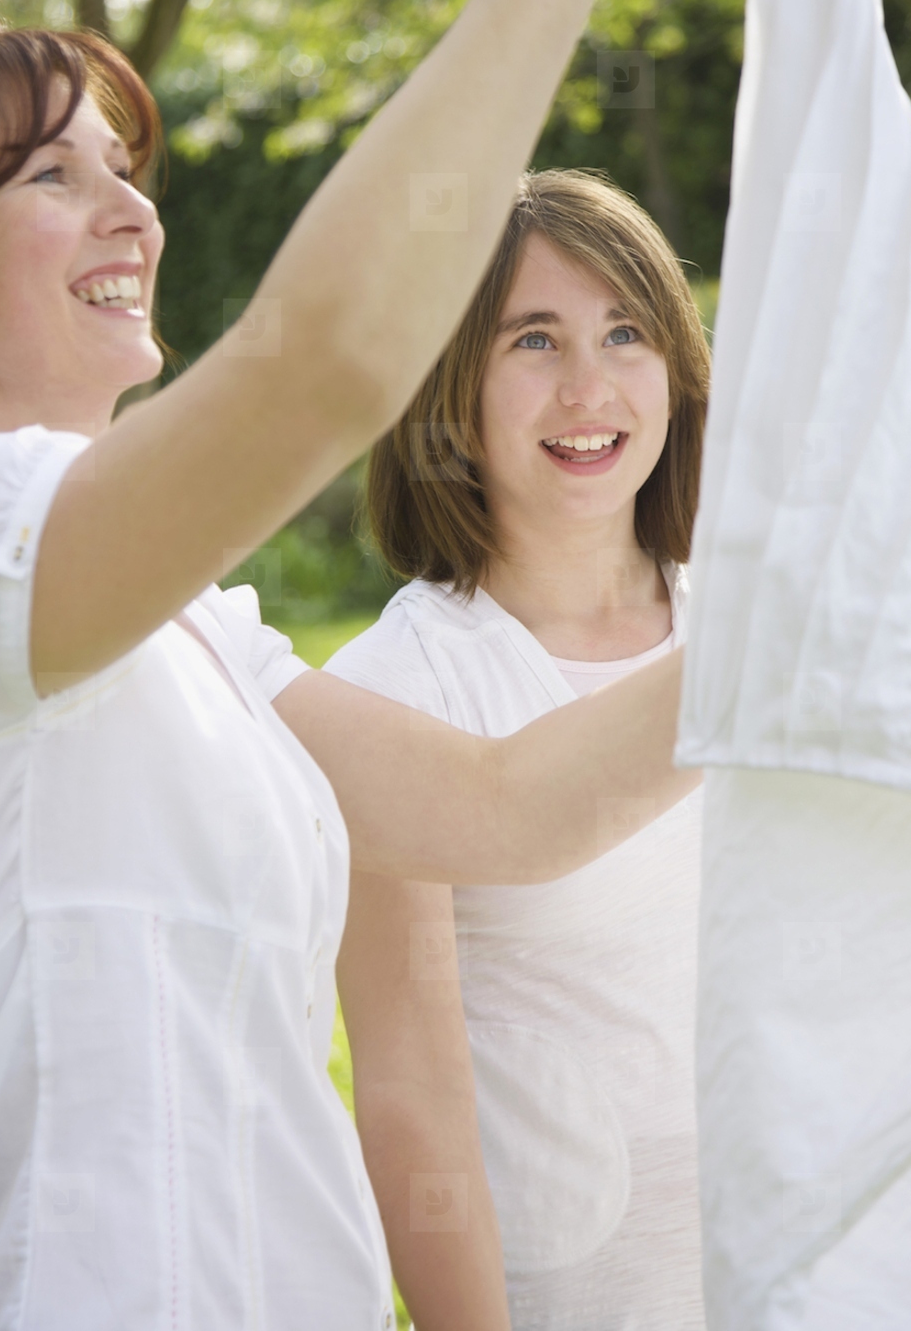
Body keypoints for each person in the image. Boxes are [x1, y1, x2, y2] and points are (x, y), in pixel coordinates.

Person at [0, 0, 840, 1328]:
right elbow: (324, 364)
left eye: (125, 166)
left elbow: (507, 809)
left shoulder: (190, 623)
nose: (133, 211)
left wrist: (817, 585)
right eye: (48, 178)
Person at [328, 169, 709, 1330]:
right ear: (450, 390)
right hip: (584, 1293)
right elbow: (407, 1089)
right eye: (532, 339)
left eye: (624, 330)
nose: (588, 386)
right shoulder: (398, 690)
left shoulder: (751, 617)